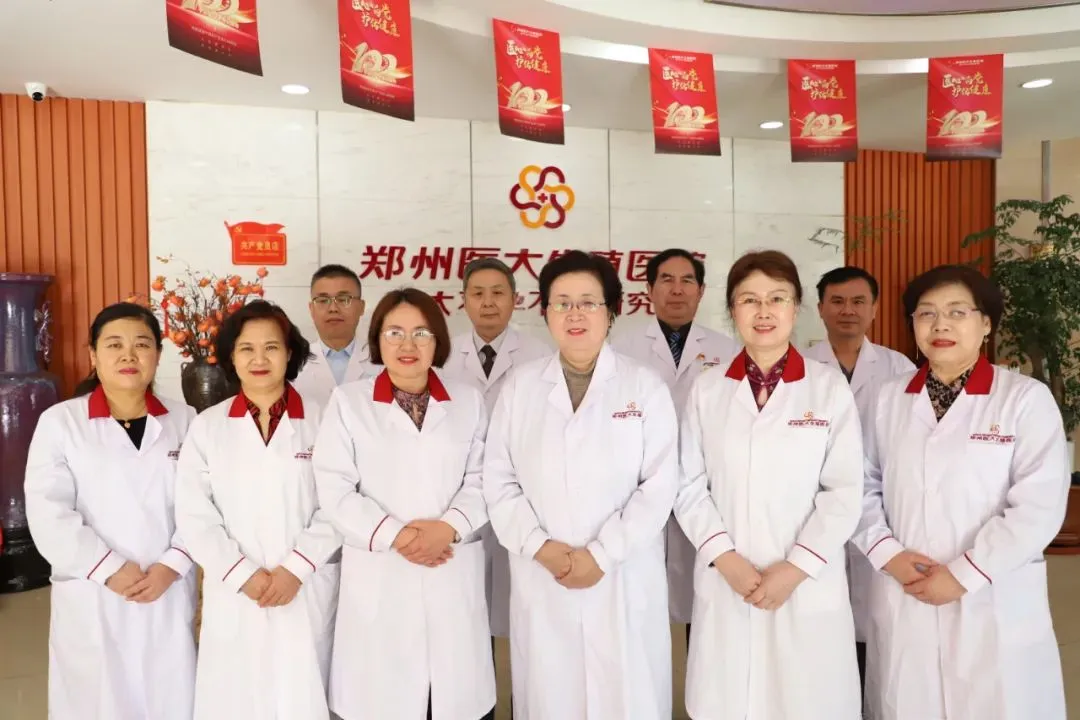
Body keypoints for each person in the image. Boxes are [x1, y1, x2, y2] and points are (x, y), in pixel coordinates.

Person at [852, 264, 1069, 720]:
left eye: (957, 312)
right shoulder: (886, 398)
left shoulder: (1024, 399)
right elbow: (860, 483)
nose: (940, 325)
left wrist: (965, 574)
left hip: (993, 595)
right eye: (926, 313)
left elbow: (1039, 506)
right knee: (910, 701)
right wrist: (887, 552)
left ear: (986, 323)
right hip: (905, 587)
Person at [484, 250, 679, 719]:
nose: (575, 314)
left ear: (611, 312)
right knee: (552, 695)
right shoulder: (520, 387)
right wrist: (540, 547)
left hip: (623, 576)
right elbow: (499, 481)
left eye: (589, 302)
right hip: (544, 573)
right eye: (562, 303)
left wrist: (603, 554)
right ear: (545, 312)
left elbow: (659, 486)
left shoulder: (644, 386)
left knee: (627, 697)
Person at [674, 249, 864, 720]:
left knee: (805, 701)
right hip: (728, 579)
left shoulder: (827, 388)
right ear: (732, 309)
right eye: (749, 300)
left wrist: (796, 568)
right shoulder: (708, 389)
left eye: (776, 298)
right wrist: (725, 558)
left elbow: (844, 492)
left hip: (804, 581)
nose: (763, 311)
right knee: (728, 701)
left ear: (796, 308)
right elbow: (688, 486)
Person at [313, 288, 496, 720]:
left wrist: (448, 527)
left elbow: (485, 477)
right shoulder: (349, 402)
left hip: (450, 564)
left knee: (453, 698)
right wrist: (400, 537)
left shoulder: (468, 400)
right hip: (382, 571)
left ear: (438, 341)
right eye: (394, 332)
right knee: (382, 699)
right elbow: (335, 488)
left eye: (420, 333)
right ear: (378, 340)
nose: (407, 344)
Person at [24, 302, 197, 719]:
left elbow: (203, 504)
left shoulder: (186, 420)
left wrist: (173, 564)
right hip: (93, 591)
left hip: (166, 586)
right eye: (114, 344)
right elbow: (48, 511)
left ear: (158, 354)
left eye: (142, 344)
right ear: (93, 355)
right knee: (98, 699)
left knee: (168, 695)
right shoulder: (61, 422)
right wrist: (108, 568)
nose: (128, 355)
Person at [175, 300, 342, 719]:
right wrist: (242, 575)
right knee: (236, 697)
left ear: (290, 353)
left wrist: (296, 569)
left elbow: (339, 502)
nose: (259, 359)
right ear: (231, 357)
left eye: (272, 347)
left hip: (303, 584)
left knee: (301, 695)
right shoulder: (207, 427)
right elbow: (195, 514)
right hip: (236, 589)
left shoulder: (324, 420)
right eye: (247, 348)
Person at [612, 247, 738, 636]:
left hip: (703, 485)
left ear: (701, 291)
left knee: (700, 600)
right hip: (637, 484)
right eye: (666, 280)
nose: (677, 290)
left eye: (687, 281)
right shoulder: (620, 348)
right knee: (641, 600)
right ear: (649, 290)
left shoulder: (728, 351)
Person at [804, 265, 915, 685]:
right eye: (837, 301)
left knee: (876, 624)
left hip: (880, 509)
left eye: (857, 301)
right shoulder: (800, 366)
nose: (847, 310)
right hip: (816, 506)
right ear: (820, 308)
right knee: (821, 622)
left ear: (874, 309)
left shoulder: (898, 367)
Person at [442, 257, 550, 653]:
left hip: (521, 493)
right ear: (463, 300)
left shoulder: (540, 354)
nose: (488, 302)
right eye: (478, 293)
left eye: (497, 293)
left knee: (523, 608)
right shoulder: (443, 354)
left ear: (515, 299)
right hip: (458, 492)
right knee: (465, 614)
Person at [293, 264, 372, 407]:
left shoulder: (381, 361)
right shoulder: (293, 362)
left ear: (361, 307)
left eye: (343, 299)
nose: (333, 308)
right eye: (323, 301)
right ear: (311, 309)